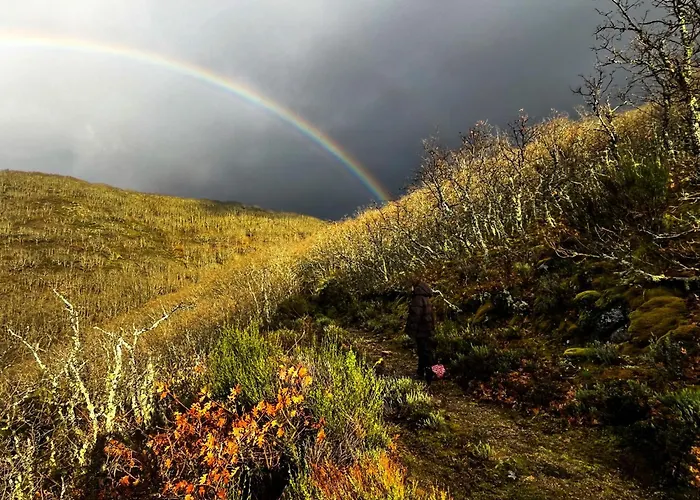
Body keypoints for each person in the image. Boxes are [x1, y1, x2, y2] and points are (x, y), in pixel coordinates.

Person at [405, 280, 436, 384]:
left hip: (421, 331)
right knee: (426, 352)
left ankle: (430, 375)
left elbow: (415, 317)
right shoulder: (425, 298)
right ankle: (422, 372)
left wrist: (410, 332)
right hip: (427, 330)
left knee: (425, 353)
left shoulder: (417, 299)